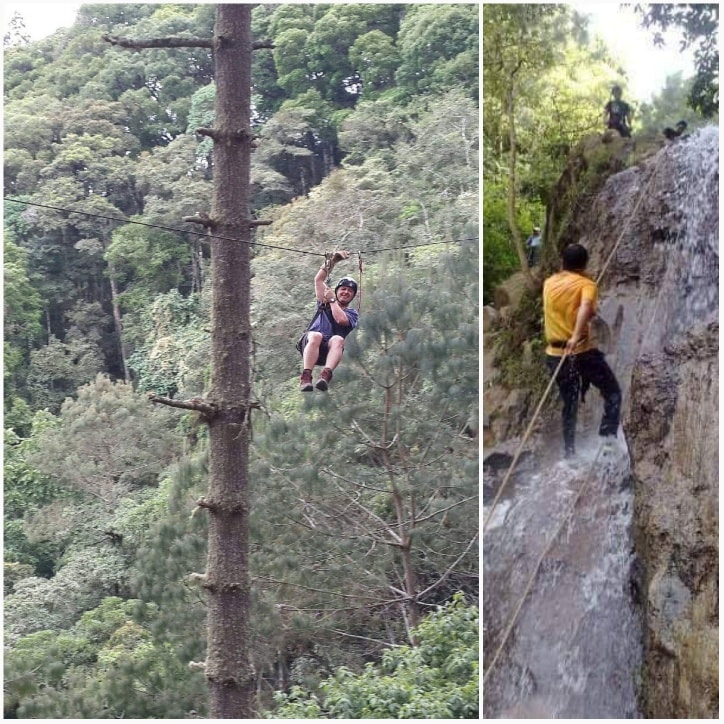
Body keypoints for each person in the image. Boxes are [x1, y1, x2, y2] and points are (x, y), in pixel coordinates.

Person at [543, 243, 621, 458]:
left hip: (554, 355)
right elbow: (586, 307)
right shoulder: (587, 285)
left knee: (570, 403)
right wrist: (576, 335)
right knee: (612, 391)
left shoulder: (549, 283)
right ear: (585, 263)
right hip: (581, 353)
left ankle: (569, 452)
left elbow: (570, 300)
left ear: (562, 262)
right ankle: (607, 441)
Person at [298, 251, 359, 392]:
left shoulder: (352, 314)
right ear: (337, 291)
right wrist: (333, 261)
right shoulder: (324, 301)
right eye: (343, 289)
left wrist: (332, 301)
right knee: (316, 335)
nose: (346, 292)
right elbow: (319, 280)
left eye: (350, 291)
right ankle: (306, 376)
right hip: (311, 343)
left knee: (338, 339)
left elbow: (340, 319)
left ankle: (325, 375)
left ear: (353, 296)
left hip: (329, 350)